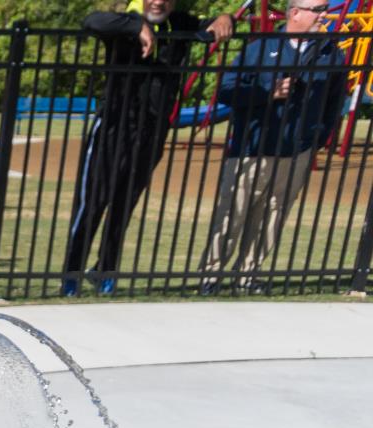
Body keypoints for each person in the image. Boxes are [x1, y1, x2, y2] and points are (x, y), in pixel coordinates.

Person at [64, 0, 235, 294]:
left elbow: (209, 26)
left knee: (124, 204)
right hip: (113, 126)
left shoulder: (180, 22)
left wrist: (224, 16)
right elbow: (90, 21)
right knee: (93, 203)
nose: (158, 2)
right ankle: (71, 275)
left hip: (152, 131)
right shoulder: (122, 22)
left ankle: (105, 271)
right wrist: (136, 26)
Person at [201, 0, 347, 290]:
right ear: (295, 13)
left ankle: (248, 276)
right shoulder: (260, 46)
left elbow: (334, 104)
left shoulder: (333, 55)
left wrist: (315, 139)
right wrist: (269, 91)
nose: (326, 15)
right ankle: (210, 276)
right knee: (233, 213)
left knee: (272, 217)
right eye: (320, 10)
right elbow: (227, 91)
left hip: (297, 151)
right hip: (253, 148)